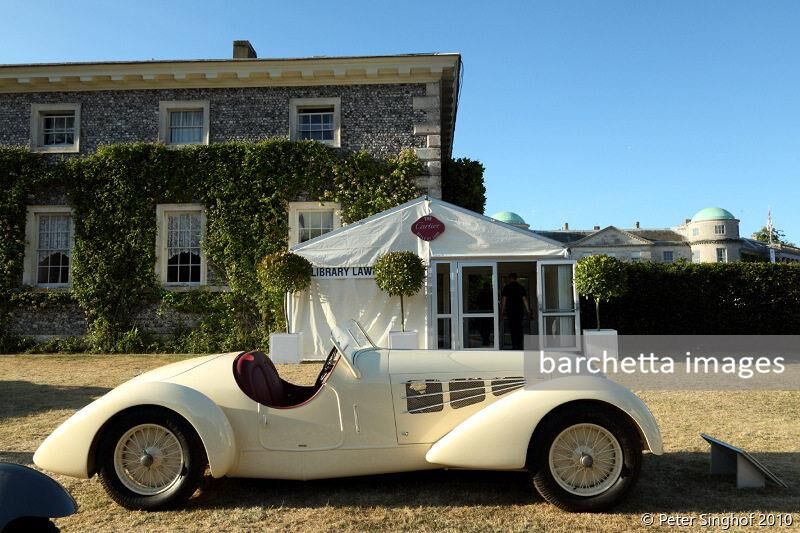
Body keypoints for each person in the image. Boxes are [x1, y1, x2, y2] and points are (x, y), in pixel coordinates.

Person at [501, 273, 531, 350]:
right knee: (519, 328)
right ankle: (520, 346)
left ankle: (514, 345)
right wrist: (528, 310)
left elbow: (504, 300)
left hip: (510, 311)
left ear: (509, 278)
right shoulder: (521, 287)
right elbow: (524, 300)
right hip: (519, 311)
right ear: (516, 278)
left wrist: (502, 311)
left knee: (512, 329)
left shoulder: (506, 287)